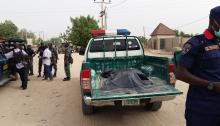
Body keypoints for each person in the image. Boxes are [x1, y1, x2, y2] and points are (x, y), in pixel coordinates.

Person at [176, 6, 220, 126]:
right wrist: (211, 85)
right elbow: (180, 73)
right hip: (202, 110)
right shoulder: (196, 43)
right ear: (213, 22)